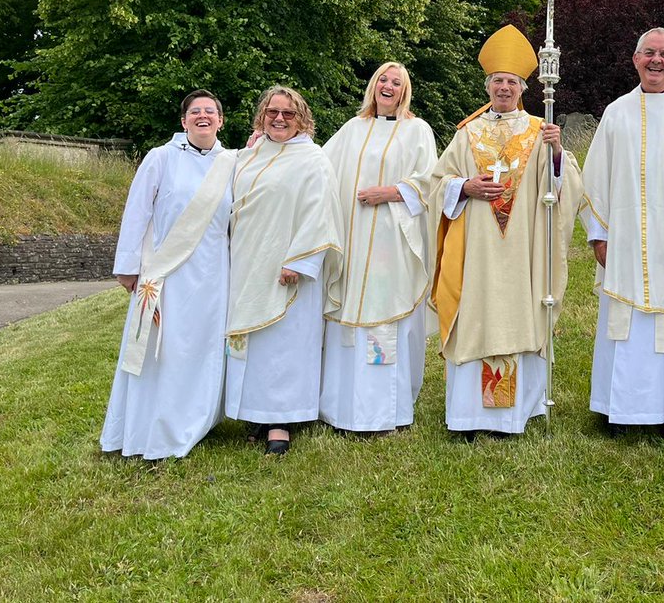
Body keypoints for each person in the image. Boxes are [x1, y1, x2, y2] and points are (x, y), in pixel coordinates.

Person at [430, 25, 582, 436]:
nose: (504, 87)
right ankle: (467, 417)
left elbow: (565, 187)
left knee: (519, 311)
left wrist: (556, 153)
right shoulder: (468, 134)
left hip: (522, 250)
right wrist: (465, 186)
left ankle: (513, 414)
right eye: (497, 80)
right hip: (475, 248)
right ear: (487, 86)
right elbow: (436, 183)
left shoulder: (539, 131)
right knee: (475, 314)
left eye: (511, 81)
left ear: (523, 88)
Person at [581, 28, 664, 433]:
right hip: (627, 239)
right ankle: (620, 409)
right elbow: (595, 177)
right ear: (635, 59)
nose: (656, 60)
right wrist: (598, 233)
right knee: (628, 323)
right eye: (648, 53)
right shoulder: (617, 111)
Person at [100, 90, 235, 460]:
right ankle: (149, 426)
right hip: (166, 274)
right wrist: (128, 267)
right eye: (196, 111)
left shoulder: (234, 163)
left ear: (221, 121)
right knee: (162, 351)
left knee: (201, 348)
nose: (203, 116)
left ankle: (196, 420)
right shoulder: (160, 158)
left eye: (211, 111)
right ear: (184, 121)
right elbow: (137, 211)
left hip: (213, 275)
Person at [225, 86, 343, 455]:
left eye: (288, 114)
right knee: (254, 343)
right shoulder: (249, 156)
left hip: (289, 268)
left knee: (284, 343)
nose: (279, 118)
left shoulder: (313, 159)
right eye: (272, 112)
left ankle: (282, 421)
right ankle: (254, 412)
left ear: (302, 119)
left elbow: (320, 211)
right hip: (248, 262)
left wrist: (300, 260)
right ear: (261, 116)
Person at [320, 62, 437, 433]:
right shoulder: (352, 130)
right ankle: (341, 409)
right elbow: (317, 167)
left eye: (396, 82)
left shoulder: (417, 131)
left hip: (393, 242)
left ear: (405, 91)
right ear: (373, 86)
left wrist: (389, 193)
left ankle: (388, 411)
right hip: (354, 242)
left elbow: (430, 181)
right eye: (383, 80)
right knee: (350, 317)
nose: (388, 86)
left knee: (387, 315)